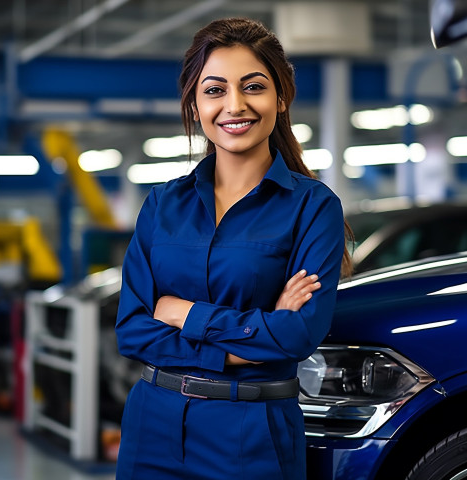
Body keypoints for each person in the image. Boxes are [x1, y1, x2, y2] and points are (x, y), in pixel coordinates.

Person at [115, 17, 352, 480]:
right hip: (152, 427)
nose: (235, 105)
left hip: (252, 436)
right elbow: (132, 330)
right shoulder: (163, 203)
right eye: (215, 89)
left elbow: (298, 336)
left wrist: (181, 312)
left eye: (254, 86)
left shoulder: (313, 207)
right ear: (195, 103)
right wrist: (252, 340)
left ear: (280, 98)